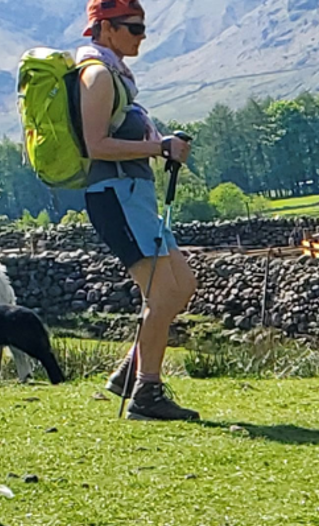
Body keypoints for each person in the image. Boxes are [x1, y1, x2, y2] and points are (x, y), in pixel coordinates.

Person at [76, 0, 199, 420]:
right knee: (162, 292)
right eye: (133, 28)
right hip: (116, 195)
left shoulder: (114, 74)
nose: (142, 36)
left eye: (143, 27)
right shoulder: (97, 75)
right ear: (105, 29)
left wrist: (159, 147)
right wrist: (158, 147)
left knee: (182, 286)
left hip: (133, 194)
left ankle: (131, 371)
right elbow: (97, 145)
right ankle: (146, 393)